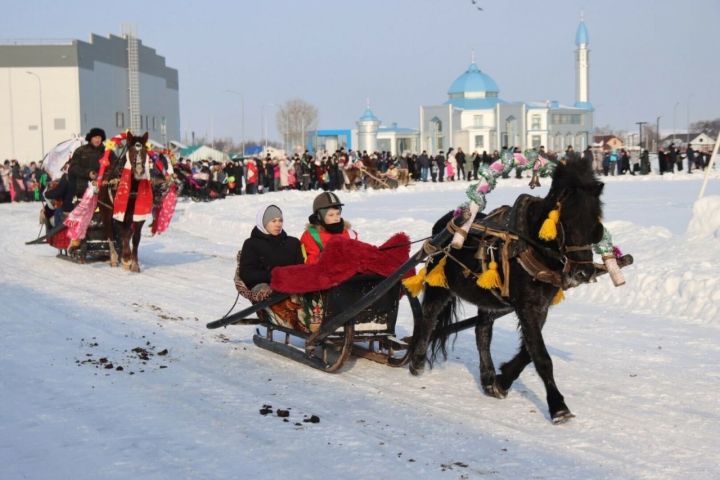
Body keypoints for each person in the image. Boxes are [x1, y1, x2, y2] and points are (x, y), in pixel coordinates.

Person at [238, 205, 303, 297]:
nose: (278, 224)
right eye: (273, 221)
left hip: (295, 290)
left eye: (280, 220)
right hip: (268, 294)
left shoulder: (293, 243)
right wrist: (275, 276)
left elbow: (301, 268)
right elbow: (247, 274)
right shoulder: (251, 244)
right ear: (264, 222)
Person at [300, 192, 357, 264]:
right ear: (320, 217)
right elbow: (311, 263)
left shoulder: (350, 234)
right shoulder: (312, 235)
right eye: (331, 215)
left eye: (338, 213)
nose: (336, 218)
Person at [68, 128, 107, 200]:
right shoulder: (80, 151)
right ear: (90, 138)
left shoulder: (107, 151)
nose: (97, 140)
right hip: (83, 189)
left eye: (99, 137)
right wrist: (88, 173)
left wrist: (105, 177)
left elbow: (115, 166)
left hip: (103, 191)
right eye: (95, 137)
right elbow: (73, 168)